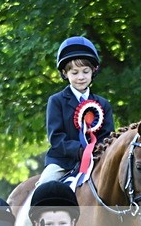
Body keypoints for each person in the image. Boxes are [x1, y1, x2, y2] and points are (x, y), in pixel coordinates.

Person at [37, 36, 115, 185]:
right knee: (45, 185)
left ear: (94, 70)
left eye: (85, 71)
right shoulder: (56, 101)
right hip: (62, 162)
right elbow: (56, 137)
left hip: (97, 160)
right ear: (65, 73)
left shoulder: (103, 104)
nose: (81, 77)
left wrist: (96, 151)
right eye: (74, 72)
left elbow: (108, 136)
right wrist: (80, 150)